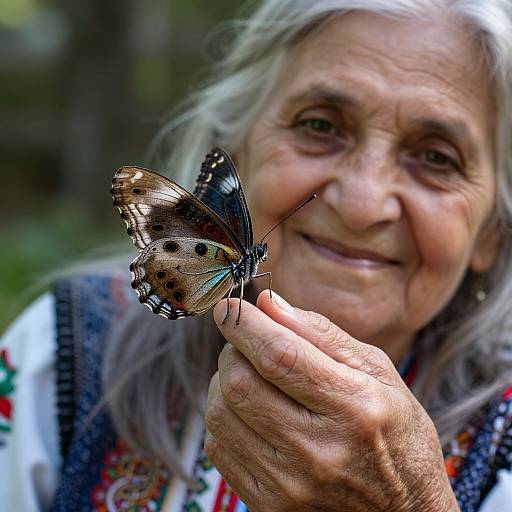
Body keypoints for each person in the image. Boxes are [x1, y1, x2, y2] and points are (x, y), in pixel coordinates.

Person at [2, 0, 512, 510]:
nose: (361, 205)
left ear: (492, 230)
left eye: (436, 158)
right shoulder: (55, 354)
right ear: (238, 148)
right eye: (320, 126)